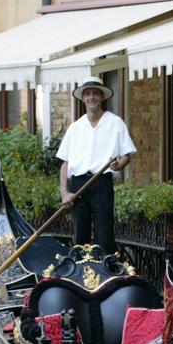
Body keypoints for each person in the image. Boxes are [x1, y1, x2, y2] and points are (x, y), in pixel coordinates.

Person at [57, 76, 136, 254]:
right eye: (88, 94)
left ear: (102, 97)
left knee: (104, 235)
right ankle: (81, 275)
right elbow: (65, 163)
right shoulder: (75, 127)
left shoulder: (115, 123)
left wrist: (119, 164)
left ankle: (106, 274)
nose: (92, 97)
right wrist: (64, 192)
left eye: (95, 94)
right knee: (80, 236)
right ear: (83, 98)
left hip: (102, 183)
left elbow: (126, 156)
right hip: (78, 186)